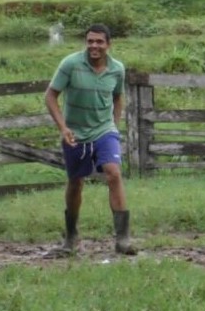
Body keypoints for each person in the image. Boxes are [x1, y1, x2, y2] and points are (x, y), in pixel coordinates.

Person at [44, 24, 137, 257]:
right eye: (90, 41)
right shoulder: (70, 64)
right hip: (75, 132)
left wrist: (115, 124)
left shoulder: (117, 69)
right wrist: (63, 127)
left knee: (113, 172)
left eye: (99, 42)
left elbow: (117, 97)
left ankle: (123, 239)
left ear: (108, 44)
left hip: (104, 130)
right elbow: (50, 95)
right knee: (76, 182)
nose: (94, 46)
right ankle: (71, 237)